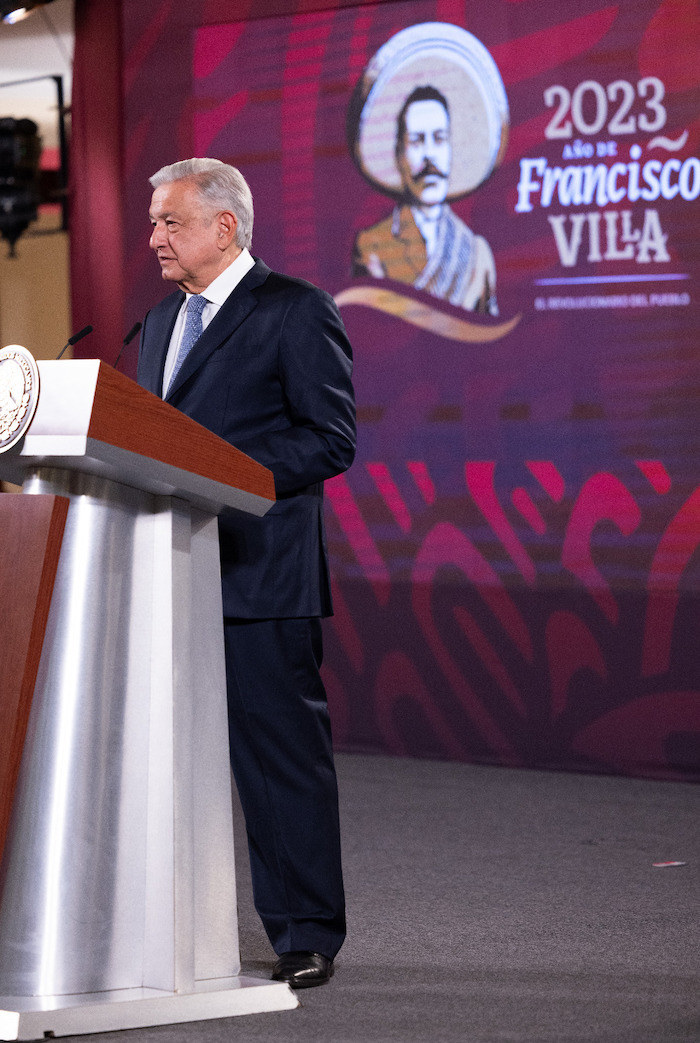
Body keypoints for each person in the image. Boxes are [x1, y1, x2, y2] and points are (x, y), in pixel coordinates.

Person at [137, 158, 356, 988]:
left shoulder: (295, 309)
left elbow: (329, 439)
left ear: (224, 227)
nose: (155, 238)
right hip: (167, 573)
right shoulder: (161, 320)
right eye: (154, 222)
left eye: (170, 222)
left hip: (259, 581)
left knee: (278, 764)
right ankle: (164, 930)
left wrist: (219, 472)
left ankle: (306, 934)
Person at [352, 85, 498, 315]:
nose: (430, 154)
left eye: (439, 139)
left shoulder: (476, 253)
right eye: (417, 141)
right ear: (399, 154)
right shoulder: (373, 247)